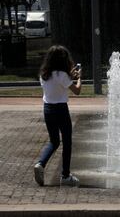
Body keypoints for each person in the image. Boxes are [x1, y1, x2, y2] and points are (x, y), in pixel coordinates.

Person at [34, 45, 82, 187]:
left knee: (54, 141)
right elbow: (77, 91)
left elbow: (58, 84)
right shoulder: (63, 75)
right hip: (61, 109)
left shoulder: (44, 74)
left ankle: (40, 163)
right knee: (66, 141)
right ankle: (65, 175)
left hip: (48, 109)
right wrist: (79, 78)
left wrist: (70, 76)